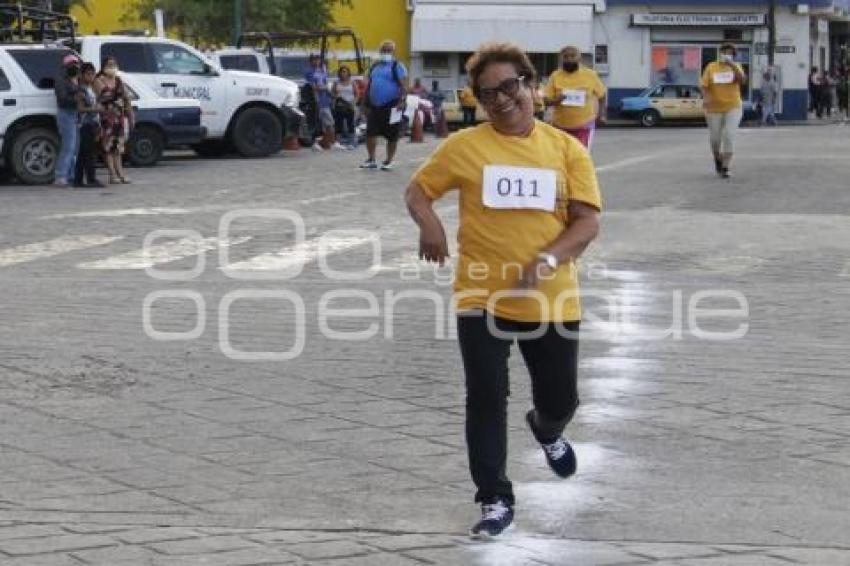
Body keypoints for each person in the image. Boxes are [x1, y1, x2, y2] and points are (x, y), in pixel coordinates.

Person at [404, 42, 601, 539]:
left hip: (551, 296)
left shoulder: (567, 150)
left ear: (531, 84)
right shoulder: (465, 146)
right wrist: (429, 224)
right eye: (488, 93)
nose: (502, 99)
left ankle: (548, 429)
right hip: (480, 296)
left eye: (510, 86)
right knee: (485, 395)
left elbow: (587, 223)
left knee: (562, 399)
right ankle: (494, 497)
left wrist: (548, 259)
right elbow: (417, 190)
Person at [543, 45, 607, 149]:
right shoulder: (555, 76)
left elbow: (602, 95)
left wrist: (602, 114)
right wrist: (556, 101)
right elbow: (546, 100)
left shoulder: (590, 75)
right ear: (561, 58)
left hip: (584, 126)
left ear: (579, 58)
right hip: (560, 127)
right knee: (561, 158)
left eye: (572, 56)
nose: (569, 59)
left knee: (580, 158)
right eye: (566, 57)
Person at [360, 40, 408, 171]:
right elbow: (368, 85)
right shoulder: (375, 66)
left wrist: (402, 101)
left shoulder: (397, 66)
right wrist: (364, 103)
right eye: (384, 50)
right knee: (370, 133)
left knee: (392, 135)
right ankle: (371, 159)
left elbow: (404, 86)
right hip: (374, 105)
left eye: (388, 50)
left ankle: (388, 160)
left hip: (392, 105)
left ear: (393, 52)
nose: (386, 52)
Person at [700, 43, 746, 179]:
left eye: (730, 53)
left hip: (733, 106)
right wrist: (706, 98)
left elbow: (742, 80)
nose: (727, 55)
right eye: (725, 52)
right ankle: (717, 158)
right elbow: (704, 86)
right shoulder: (711, 67)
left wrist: (732, 65)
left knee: (729, 135)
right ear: (720, 53)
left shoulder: (736, 67)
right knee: (715, 139)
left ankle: (725, 166)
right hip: (714, 108)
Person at [94, 56, 133, 184]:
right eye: (109, 64)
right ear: (104, 66)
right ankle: (112, 174)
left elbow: (126, 97)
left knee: (118, 148)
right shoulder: (99, 80)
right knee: (108, 147)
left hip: (119, 118)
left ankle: (120, 173)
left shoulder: (119, 80)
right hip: (106, 118)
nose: (112, 67)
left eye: (114, 64)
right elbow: (103, 97)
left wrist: (130, 114)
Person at [54, 54, 82, 187]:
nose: (74, 66)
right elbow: (62, 99)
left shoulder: (78, 80)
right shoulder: (61, 81)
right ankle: (60, 175)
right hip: (66, 114)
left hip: (77, 114)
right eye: (71, 64)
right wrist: (76, 99)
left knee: (75, 147)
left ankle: (71, 174)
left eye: (76, 64)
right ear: (65, 67)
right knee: (68, 146)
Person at [74, 62, 104, 188]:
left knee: (84, 153)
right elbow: (80, 108)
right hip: (85, 124)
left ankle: (78, 180)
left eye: (93, 74)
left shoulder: (90, 89)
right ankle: (91, 179)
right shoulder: (80, 90)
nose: (91, 77)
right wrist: (95, 109)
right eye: (88, 74)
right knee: (89, 154)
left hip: (93, 123)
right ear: (81, 75)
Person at [305, 54, 336, 151]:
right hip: (317, 100)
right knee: (327, 123)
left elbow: (325, 84)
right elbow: (314, 87)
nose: (317, 62)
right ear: (310, 61)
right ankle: (322, 142)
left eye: (318, 59)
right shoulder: (310, 72)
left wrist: (330, 93)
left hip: (325, 99)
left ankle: (326, 143)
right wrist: (325, 87)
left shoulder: (322, 70)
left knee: (327, 123)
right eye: (314, 60)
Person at [331, 65, 359, 148]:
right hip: (339, 105)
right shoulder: (336, 83)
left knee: (350, 124)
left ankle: (351, 142)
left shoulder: (352, 82)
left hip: (349, 105)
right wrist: (335, 96)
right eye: (342, 72)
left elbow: (357, 94)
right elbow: (332, 93)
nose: (343, 73)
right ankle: (337, 142)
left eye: (345, 71)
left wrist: (354, 102)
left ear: (348, 73)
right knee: (338, 123)